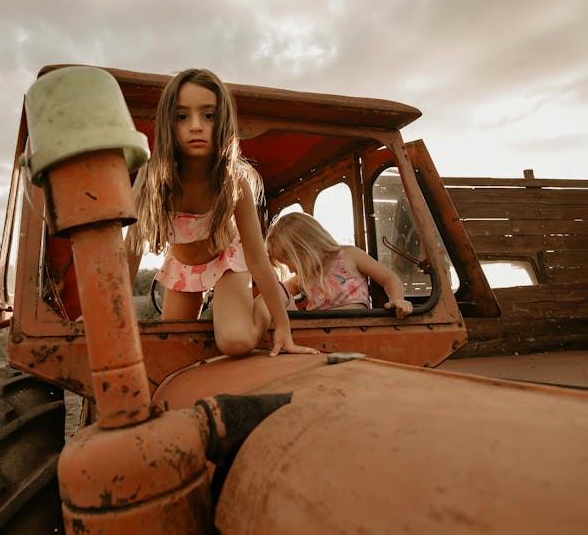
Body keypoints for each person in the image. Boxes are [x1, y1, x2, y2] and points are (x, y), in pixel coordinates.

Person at [124, 68, 317, 357]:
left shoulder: (233, 181)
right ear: (168, 122)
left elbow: (256, 256)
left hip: (226, 260)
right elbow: (131, 251)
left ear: (222, 120)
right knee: (171, 349)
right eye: (182, 116)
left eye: (208, 115)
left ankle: (270, 298)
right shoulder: (153, 179)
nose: (196, 126)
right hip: (182, 265)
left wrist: (283, 326)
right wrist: (108, 314)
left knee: (235, 342)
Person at [264, 211, 414, 317]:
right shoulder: (305, 277)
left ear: (305, 250)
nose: (290, 270)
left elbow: (389, 279)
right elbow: (277, 291)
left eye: (289, 263)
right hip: (318, 333)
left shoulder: (349, 256)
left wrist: (397, 300)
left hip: (355, 328)